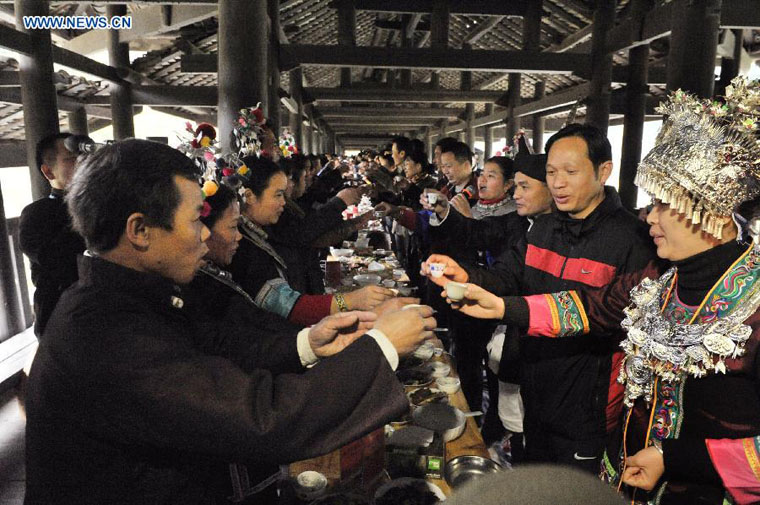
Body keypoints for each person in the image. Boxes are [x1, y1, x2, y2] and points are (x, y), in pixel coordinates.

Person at [24, 139, 436, 505]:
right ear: (140, 230)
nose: (206, 235)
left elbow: (220, 345)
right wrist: (381, 346)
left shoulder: (135, 292)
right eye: (193, 221)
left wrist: (310, 342)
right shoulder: (102, 331)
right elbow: (259, 419)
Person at [442, 78, 760, 504]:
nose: (650, 218)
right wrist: (501, 304)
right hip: (626, 476)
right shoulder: (661, 281)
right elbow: (589, 308)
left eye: (665, 205)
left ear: (715, 214)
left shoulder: (753, 304)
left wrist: (677, 458)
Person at [423, 123, 656, 473]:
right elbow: (506, 276)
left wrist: (505, 308)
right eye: (550, 172)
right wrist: (466, 274)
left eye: (570, 172)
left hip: (586, 412)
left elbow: (610, 316)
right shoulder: (544, 229)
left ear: (603, 170)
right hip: (534, 393)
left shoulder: (632, 240)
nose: (557, 183)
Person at [424, 147, 552, 460]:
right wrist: (465, 277)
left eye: (525, 186)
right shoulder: (530, 224)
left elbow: (485, 239)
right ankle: (489, 432)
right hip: (503, 315)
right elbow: (504, 269)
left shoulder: (525, 222)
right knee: (498, 385)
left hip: (530, 330)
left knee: (524, 407)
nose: (482, 180)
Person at [229, 155, 394, 326]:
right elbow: (286, 304)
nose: (284, 202)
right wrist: (349, 301)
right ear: (249, 196)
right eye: (278, 195)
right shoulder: (243, 245)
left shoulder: (260, 230)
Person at [19, 132, 87, 337]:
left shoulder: (104, 204)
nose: (82, 163)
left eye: (83, 158)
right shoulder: (36, 214)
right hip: (61, 319)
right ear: (49, 172)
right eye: (71, 159)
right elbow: (57, 260)